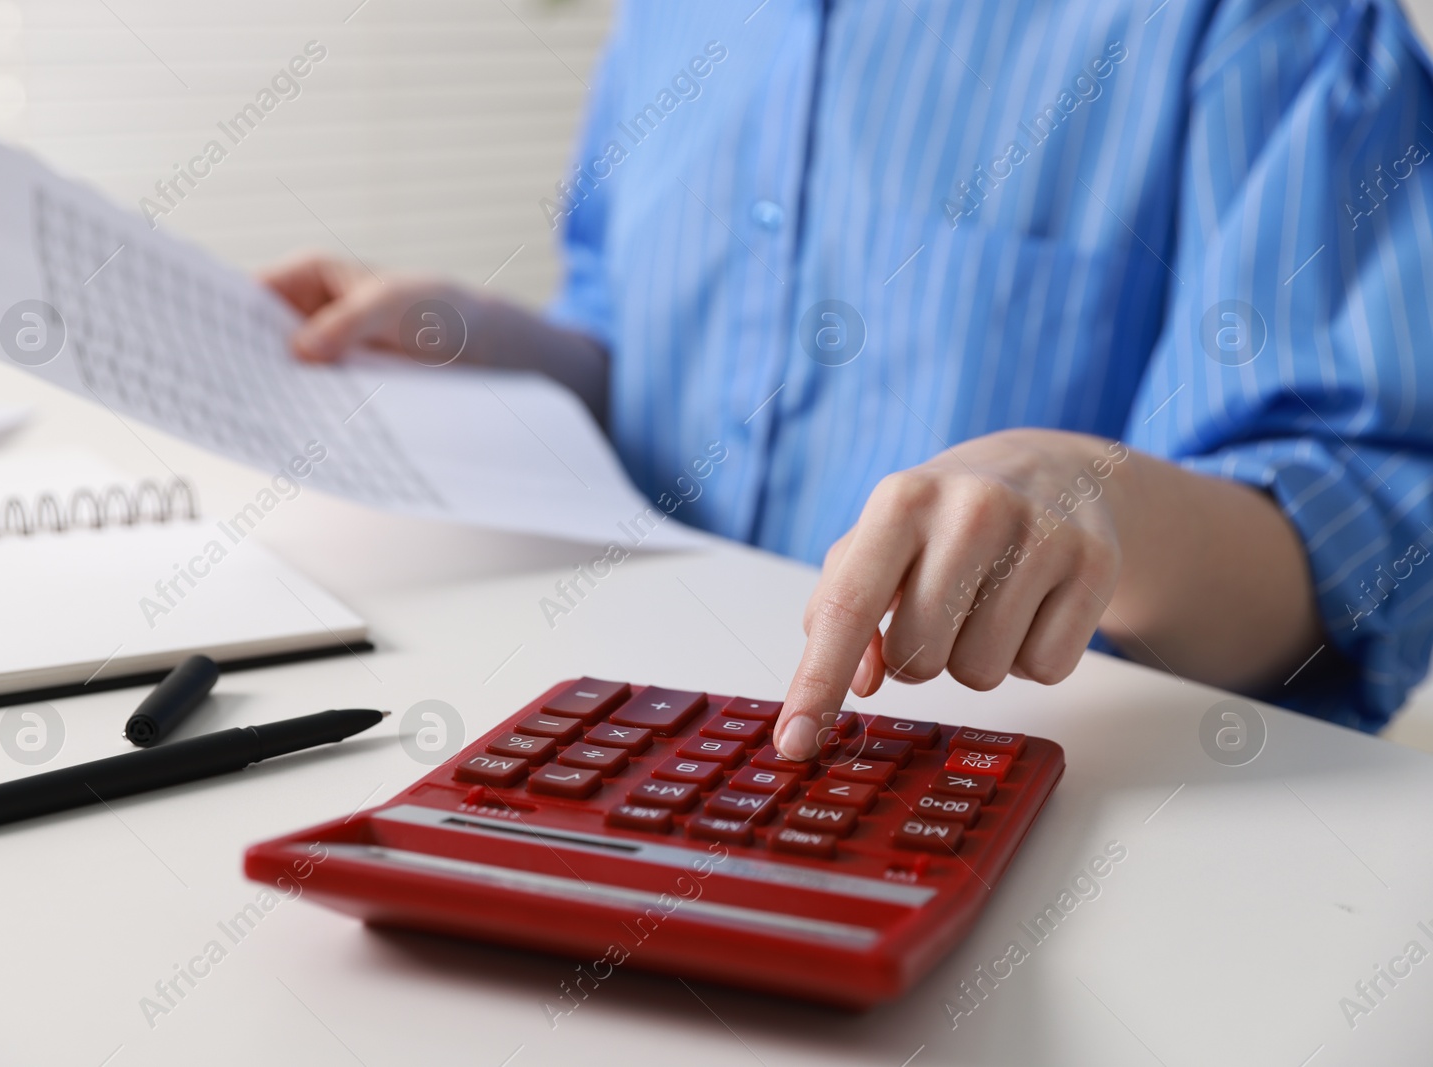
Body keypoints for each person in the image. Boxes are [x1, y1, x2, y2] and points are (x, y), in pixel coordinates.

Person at [261, 0, 1433, 761]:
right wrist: (491, 339)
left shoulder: (1272, 26)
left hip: (1007, 801)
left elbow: (1360, 555)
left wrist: (1093, 492)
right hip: (646, 742)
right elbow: (659, 370)